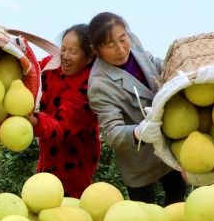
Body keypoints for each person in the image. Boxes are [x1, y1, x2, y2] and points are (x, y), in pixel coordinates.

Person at [87, 12, 186, 206]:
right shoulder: (99, 85)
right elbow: (111, 132)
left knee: (177, 202)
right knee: (144, 217)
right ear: (96, 50)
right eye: (110, 45)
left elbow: (152, 64)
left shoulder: (131, 41)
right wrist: (138, 132)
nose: (121, 48)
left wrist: (173, 70)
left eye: (122, 39)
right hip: (140, 164)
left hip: (168, 148)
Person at [26, 25, 100, 198]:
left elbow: (62, 126)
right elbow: (32, 73)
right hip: (48, 158)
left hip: (74, 168)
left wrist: (35, 121)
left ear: (89, 57)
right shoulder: (53, 65)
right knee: (42, 202)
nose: (65, 56)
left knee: (68, 213)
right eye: (63, 49)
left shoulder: (88, 89)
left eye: (73, 52)